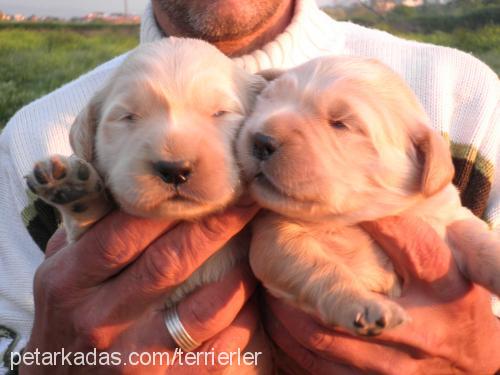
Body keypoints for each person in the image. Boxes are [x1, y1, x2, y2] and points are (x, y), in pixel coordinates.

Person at [0, 0, 498, 373]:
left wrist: (487, 356)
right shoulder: (30, 141)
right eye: (127, 117)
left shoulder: (465, 99)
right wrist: (47, 361)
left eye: (222, 115)